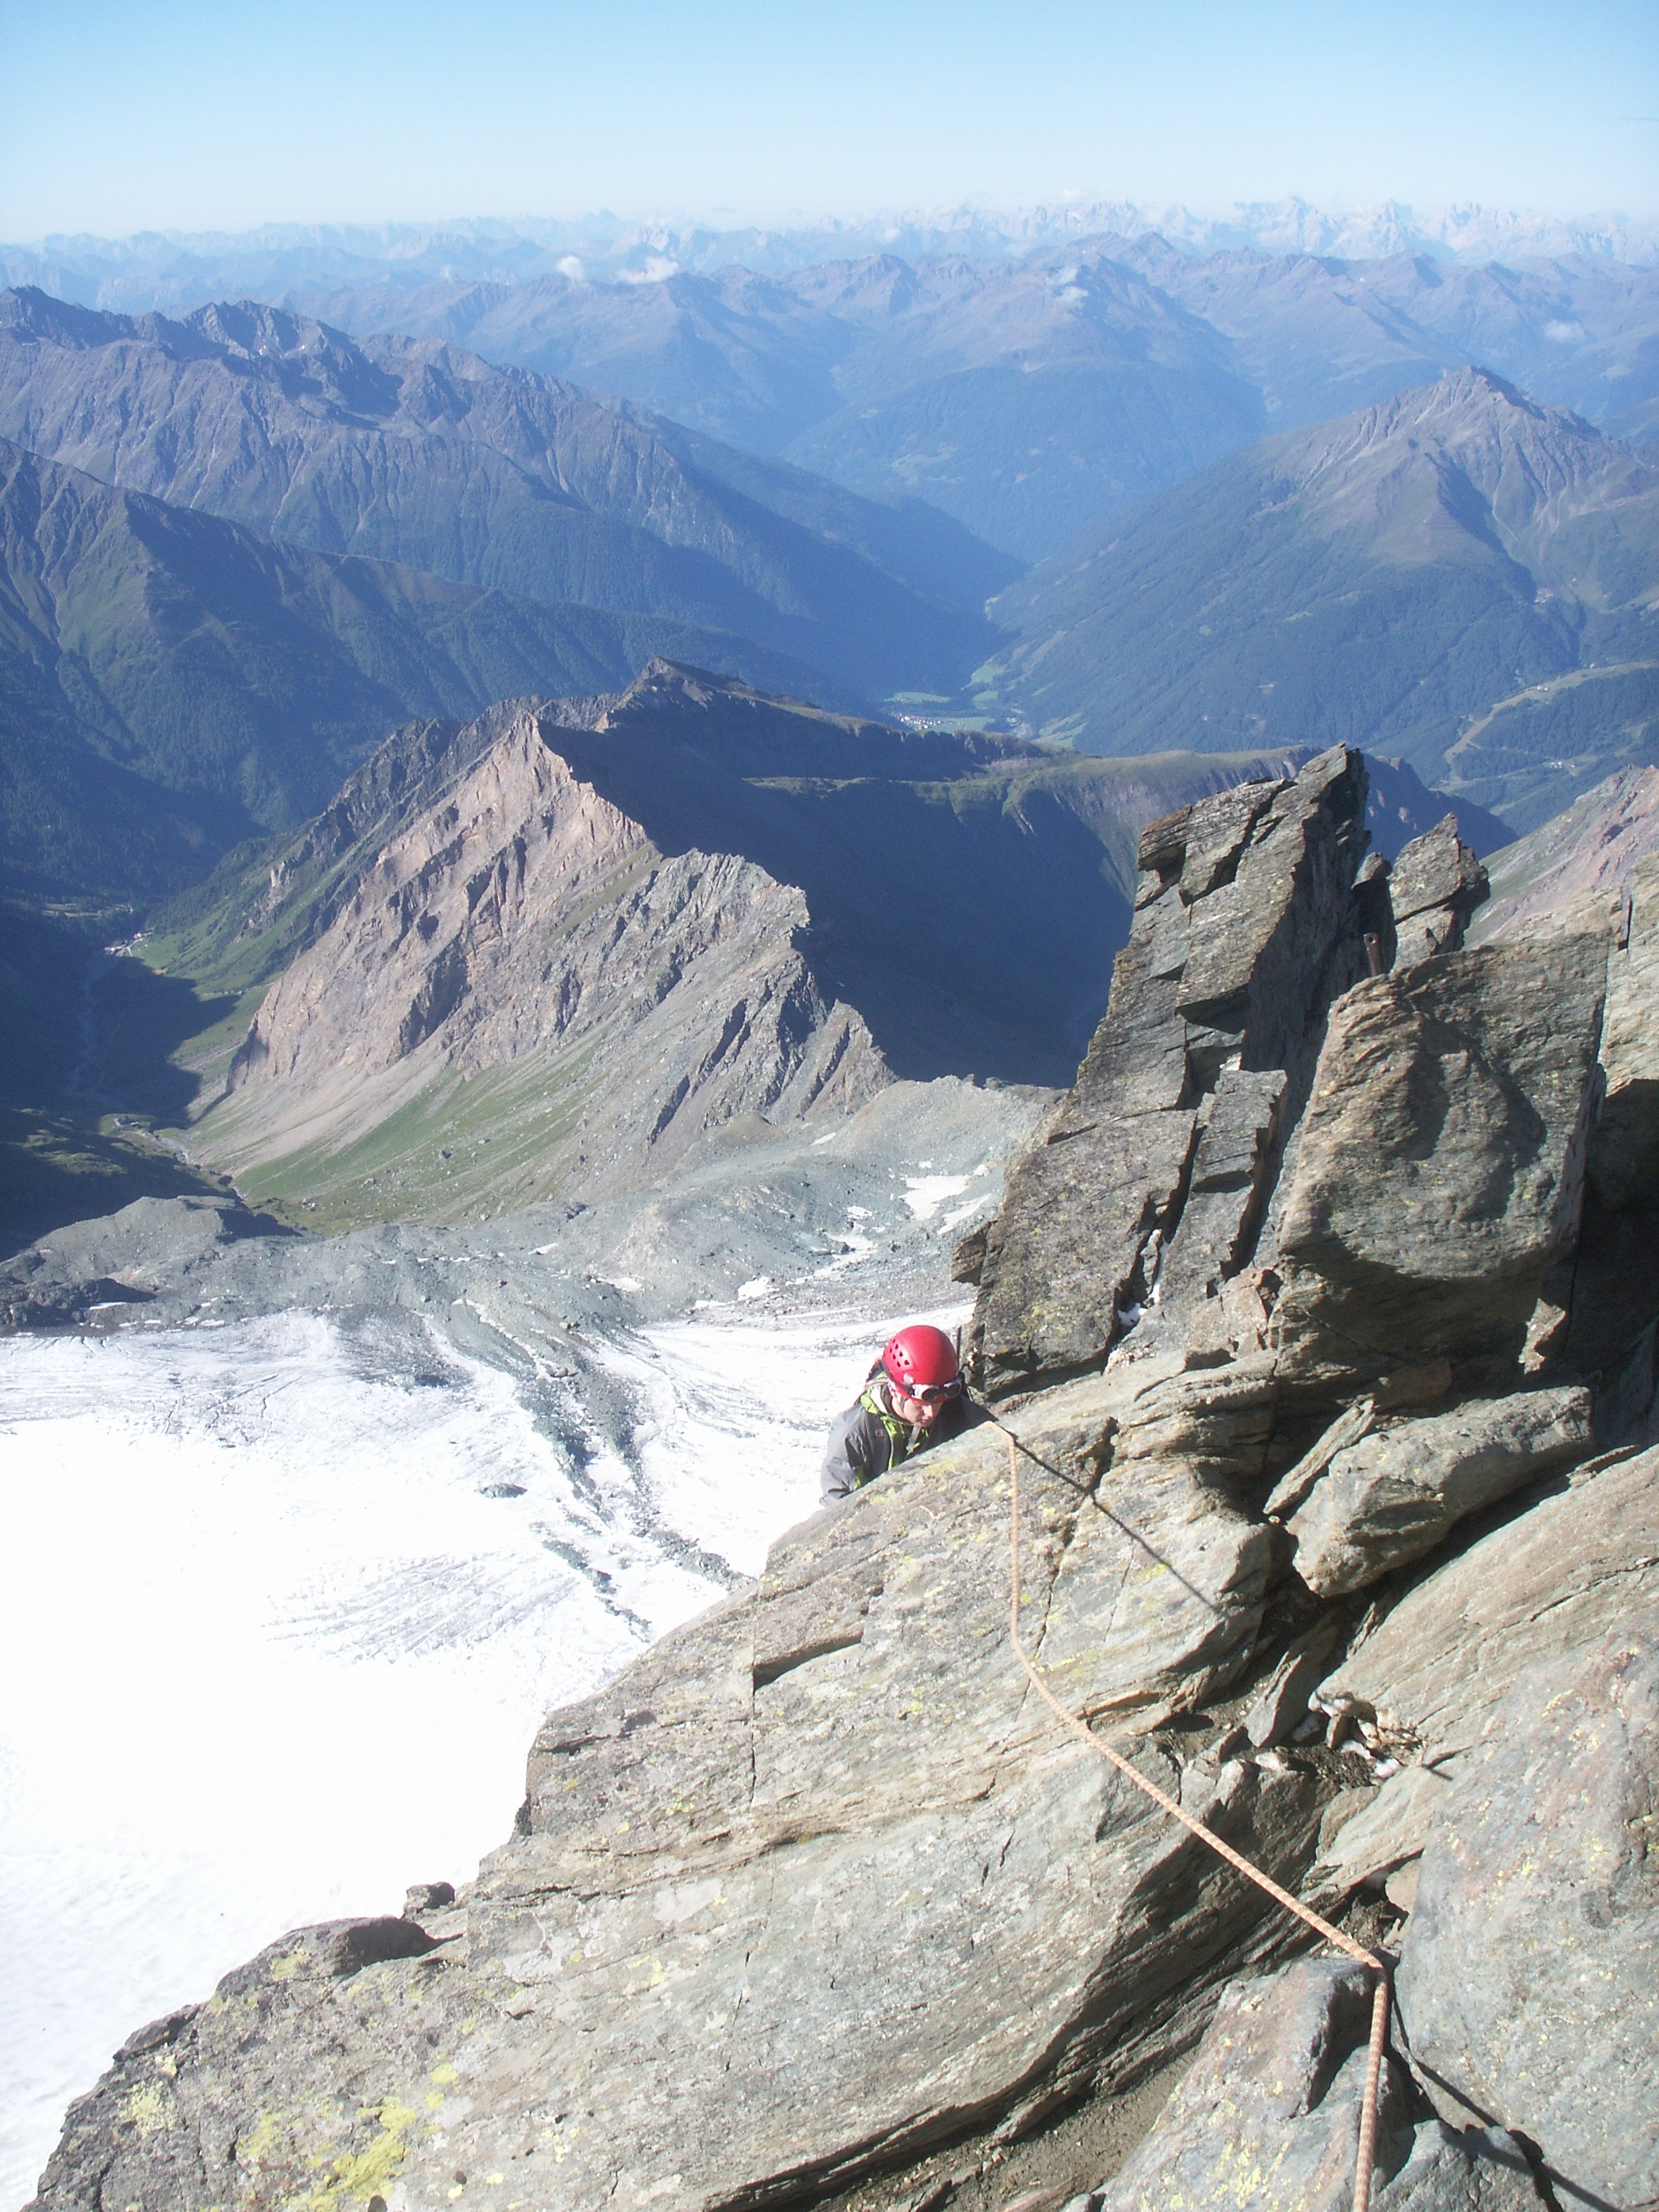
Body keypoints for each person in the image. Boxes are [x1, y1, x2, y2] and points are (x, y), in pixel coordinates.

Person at [819, 1324, 979, 1501]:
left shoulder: (954, 1410)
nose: (931, 1413)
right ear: (895, 1391)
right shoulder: (854, 1433)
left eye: (938, 1402)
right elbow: (836, 1499)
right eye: (921, 1404)